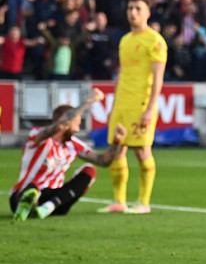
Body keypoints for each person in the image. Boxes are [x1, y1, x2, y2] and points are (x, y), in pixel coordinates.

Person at [11, 89, 128, 221]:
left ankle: (47, 208)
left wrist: (117, 141)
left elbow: (103, 161)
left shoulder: (74, 144)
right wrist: (88, 101)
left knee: (89, 170)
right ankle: (28, 204)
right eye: (76, 123)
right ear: (66, 120)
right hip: (27, 191)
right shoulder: (38, 136)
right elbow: (60, 126)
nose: (78, 129)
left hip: (56, 198)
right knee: (32, 190)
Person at [99, 0, 167, 215]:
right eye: (130, 8)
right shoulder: (125, 40)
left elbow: (158, 77)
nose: (133, 12)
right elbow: (122, 74)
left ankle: (143, 202)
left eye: (138, 8)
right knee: (117, 150)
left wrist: (149, 108)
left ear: (147, 13)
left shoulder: (155, 40)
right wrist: (113, 104)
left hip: (141, 103)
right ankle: (119, 201)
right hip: (122, 104)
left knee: (141, 150)